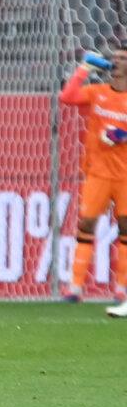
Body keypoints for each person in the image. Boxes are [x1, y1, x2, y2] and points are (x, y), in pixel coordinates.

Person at [59, 49, 127, 309]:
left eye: (123, 58)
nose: (116, 61)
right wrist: (84, 69)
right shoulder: (97, 92)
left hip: (125, 176)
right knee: (86, 225)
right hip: (97, 173)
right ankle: (75, 287)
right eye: (115, 57)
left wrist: (122, 136)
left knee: (125, 228)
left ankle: (121, 289)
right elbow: (67, 97)